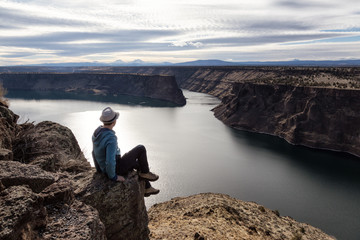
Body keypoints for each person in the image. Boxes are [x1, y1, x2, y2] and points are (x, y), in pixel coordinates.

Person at [92, 106, 160, 197]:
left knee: (136, 164)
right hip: (115, 168)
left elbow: (94, 152)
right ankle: (146, 173)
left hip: (103, 167)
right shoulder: (111, 138)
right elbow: (110, 161)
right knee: (140, 148)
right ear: (114, 121)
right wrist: (114, 177)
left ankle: (147, 188)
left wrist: (99, 169)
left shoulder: (97, 133)